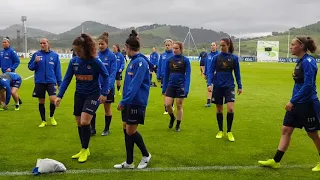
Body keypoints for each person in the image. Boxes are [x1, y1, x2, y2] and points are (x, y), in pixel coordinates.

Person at [258, 36, 320, 171]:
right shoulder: (300, 61)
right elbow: (299, 84)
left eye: (293, 44)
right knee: (286, 130)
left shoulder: (308, 62)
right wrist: (294, 100)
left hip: (307, 104)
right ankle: (276, 161)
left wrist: (292, 100)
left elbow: (308, 85)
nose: (290, 47)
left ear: (302, 46)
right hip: (297, 103)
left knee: (313, 134)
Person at [55, 33, 109, 163]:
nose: (77, 53)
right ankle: (84, 148)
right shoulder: (74, 62)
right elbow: (67, 79)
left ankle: (85, 149)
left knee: (85, 122)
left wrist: (104, 93)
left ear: (86, 48)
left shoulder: (95, 61)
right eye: (75, 50)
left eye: (79, 50)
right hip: (79, 95)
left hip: (93, 95)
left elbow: (106, 76)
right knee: (79, 122)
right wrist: (59, 96)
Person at [114, 30, 151, 169]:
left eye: (125, 48)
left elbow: (135, 84)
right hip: (129, 101)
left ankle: (146, 155)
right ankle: (129, 162)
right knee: (126, 129)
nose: (125, 50)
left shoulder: (140, 62)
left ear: (128, 48)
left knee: (130, 131)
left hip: (136, 101)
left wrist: (124, 101)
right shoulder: (133, 61)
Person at [207, 37, 242, 142]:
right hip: (217, 86)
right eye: (220, 45)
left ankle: (229, 131)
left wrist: (240, 85)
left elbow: (237, 73)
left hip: (229, 86)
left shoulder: (234, 58)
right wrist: (209, 84)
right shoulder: (216, 58)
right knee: (219, 109)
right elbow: (210, 71)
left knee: (230, 108)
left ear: (228, 46)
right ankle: (220, 130)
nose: (221, 47)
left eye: (223, 45)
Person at [28, 38, 62, 128]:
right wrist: (35, 62)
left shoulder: (54, 55)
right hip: (40, 82)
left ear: (48, 43)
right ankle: (43, 120)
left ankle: (51, 117)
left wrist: (59, 83)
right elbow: (30, 67)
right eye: (41, 43)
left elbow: (57, 70)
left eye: (44, 43)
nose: (42, 45)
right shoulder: (36, 55)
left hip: (51, 81)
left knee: (52, 99)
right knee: (41, 101)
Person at [90, 32, 117, 136]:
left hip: (107, 88)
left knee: (107, 108)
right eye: (99, 44)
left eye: (102, 44)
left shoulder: (111, 56)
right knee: (92, 107)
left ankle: (106, 129)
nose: (100, 46)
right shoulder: (95, 55)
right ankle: (93, 129)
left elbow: (112, 73)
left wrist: (108, 87)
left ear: (107, 44)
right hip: (95, 87)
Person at [162, 41, 191, 132]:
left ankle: (178, 124)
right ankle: (172, 118)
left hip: (180, 86)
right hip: (171, 85)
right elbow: (166, 75)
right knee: (167, 105)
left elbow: (188, 76)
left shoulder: (185, 60)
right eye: (173, 48)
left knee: (179, 105)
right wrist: (164, 88)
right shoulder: (169, 60)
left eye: (176, 48)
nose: (174, 50)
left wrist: (186, 89)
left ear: (181, 49)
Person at [0, 37, 22, 105]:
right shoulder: (1, 52)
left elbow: (17, 61)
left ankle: (12, 102)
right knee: (3, 87)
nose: (4, 44)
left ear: (9, 43)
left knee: (11, 89)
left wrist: (11, 68)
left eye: (5, 42)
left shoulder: (12, 51)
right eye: (3, 42)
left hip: (10, 74)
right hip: (3, 73)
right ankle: (4, 102)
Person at [157, 39, 174, 115]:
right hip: (164, 76)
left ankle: (171, 106)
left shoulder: (174, 55)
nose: (167, 46)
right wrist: (158, 75)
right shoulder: (162, 55)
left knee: (171, 92)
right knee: (165, 92)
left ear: (172, 46)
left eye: (169, 45)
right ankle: (166, 108)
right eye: (166, 45)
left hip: (172, 76)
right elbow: (159, 66)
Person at [204, 42, 219, 107]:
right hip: (209, 74)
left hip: (217, 74)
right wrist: (205, 73)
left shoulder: (219, 55)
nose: (212, 46)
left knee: (217, 88)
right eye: (211, 45)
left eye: (213, 45)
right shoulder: (208, 55)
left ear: (216, 46)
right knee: (209, 87)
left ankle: (217, 100)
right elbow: (206, 64)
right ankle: (208, 102)